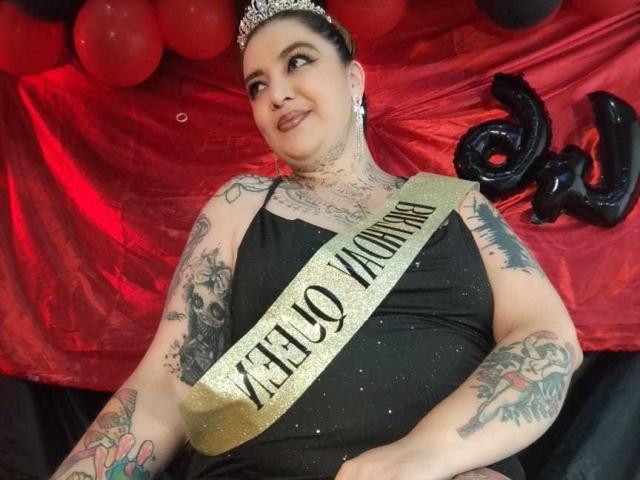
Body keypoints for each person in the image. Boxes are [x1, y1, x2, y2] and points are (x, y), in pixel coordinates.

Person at [51, 1, 583, 479]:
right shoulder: (242, 205)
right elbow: (168, 385)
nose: (276, 93)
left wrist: (426, 455)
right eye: (256, 86)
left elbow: (547, 337)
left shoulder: (458, 204)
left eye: (298, 61)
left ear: (354, 79)